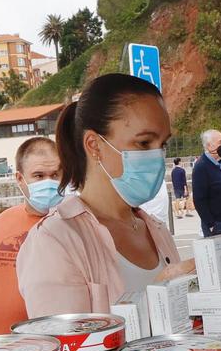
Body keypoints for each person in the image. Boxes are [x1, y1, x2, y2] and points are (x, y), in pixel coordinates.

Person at [18, 73, 181, 315]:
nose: (157, 156)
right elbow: (69, 348)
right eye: (144, 143)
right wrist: (155, 300)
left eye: (163, 144)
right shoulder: (55, 241)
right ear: (94, 145)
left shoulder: (156, 229)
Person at [0, 136, 63, 336]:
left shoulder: (73, 224)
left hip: (45, 350)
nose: (48, 182)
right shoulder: (2, 221)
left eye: (55, 174)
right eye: (39, 176)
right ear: (19, 179)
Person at [191, 129, 221, 239]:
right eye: (220, 142)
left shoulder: (220, 164)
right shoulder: (201, 167)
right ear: (209, 146)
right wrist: (211, 224)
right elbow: (199, 199)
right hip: (218, 225)